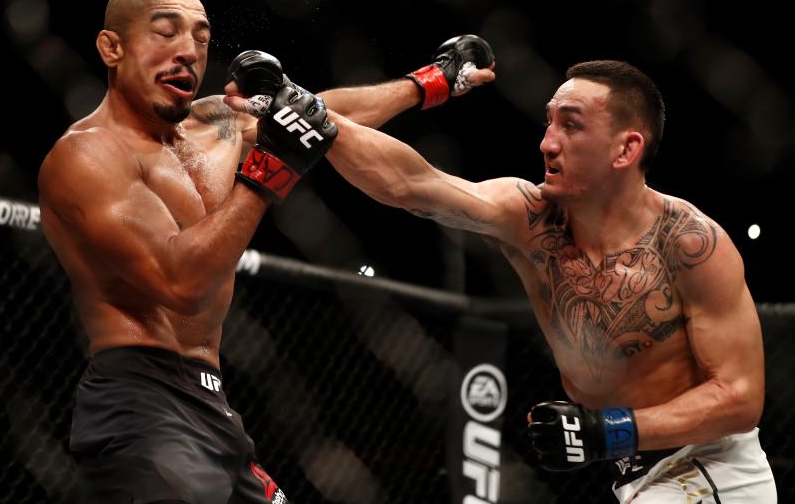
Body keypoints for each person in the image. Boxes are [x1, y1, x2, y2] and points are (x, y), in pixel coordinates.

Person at [38, 0, 494, 503]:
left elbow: (324, 116)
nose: (187, 51)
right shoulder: (86, 158)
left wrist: (433, 81)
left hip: (213, 407)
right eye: (164, 33)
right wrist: (267, 172)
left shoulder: (213, 125)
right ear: (111, 48)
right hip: (141, 405)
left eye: (200, 39)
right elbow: (178, 282)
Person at [316, 57, 777, 502]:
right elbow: (410, 183)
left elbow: (740, 398)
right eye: (549, 122)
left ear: (626, 148)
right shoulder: (530, 218)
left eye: (571, 125)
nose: (547, 143)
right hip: (637, 474)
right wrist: (301, 109)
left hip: (713, 471)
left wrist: (606, 431)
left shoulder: (690, 244)